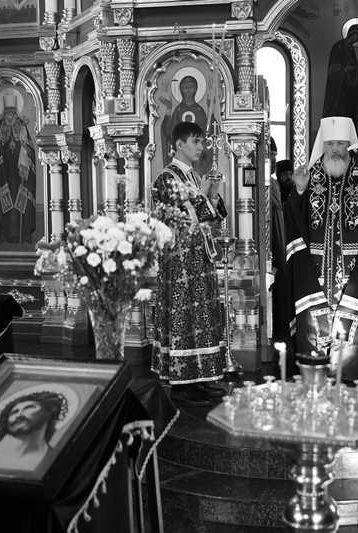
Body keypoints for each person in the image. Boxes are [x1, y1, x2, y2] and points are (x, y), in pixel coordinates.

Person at [286, 116, 358, 385]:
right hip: (315, 269)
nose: (335, 149)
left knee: (356, 328)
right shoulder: (312, 175)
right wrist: (300, 191)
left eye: (340, 143)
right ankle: (316, 378)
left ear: (349, 145)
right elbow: (295, 218)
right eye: (330, 144)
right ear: (323, 146)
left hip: (357, 267)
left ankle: (351, 379)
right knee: (313, 323)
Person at [151, 121, 228, 407]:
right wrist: (205, 195)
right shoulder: (167, 178)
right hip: (180, 263)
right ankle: (182, 384)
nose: (201, 147)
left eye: (201, 142)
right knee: (185, 319)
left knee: (202, 318)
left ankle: (201, 377)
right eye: (195, 141)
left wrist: (212, 193)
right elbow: (184, 218)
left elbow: (213, 215)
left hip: (199, 258)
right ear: (179, 145)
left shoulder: (193, 176)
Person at [0, 91, 37, 244]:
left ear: (16, 113)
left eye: (12, 112)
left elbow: (31, 152)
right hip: (4, 174)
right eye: (7, 112)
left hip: (20, 175)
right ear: (4, 114)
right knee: (7, 206)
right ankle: (5, 236)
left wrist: (24, 148)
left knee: (21, 205)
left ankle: (24, 235)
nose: (9, 115)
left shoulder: (22, 127)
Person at [160, 74, 214, 176]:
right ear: (181, 90)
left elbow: (210, 131)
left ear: (195, 90)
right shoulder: (178, 111)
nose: (188, 91)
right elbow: (168, 132)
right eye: (185, 88)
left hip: (198, 158)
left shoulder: (199, 110)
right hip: (182, 155)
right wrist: (168, 110)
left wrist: (211, 109)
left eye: (191, 88)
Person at [267, 140, 293, 357]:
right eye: (271, 158)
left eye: (275, 159)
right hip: (271, 232)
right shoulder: (265, 182)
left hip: (279, 230)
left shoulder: (274, 183)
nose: (273, 162)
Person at [323, 24, 358, 134]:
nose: (356, 39)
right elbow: (333, 67)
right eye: (356, 36)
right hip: (339, 88)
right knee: (340, 111)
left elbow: (353, 65)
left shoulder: (350, 49)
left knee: (350, 111)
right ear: (350, 33)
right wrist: (345, 69)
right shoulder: (338, 47)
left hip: (350, 88)